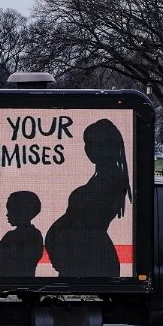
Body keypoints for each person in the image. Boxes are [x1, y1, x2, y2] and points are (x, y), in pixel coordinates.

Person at [45, 119, 132, 277]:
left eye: (95, 143)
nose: (89, 149)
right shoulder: (102, 179)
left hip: (92, 259)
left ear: (109, 146)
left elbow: (89, 220)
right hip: (83, 258)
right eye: (87, 143)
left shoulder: (111, 180)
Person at [0, 191, 43, 277]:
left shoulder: (11, 236)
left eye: (11, 211)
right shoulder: (36, 235)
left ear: (21, 212)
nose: (7, 215)